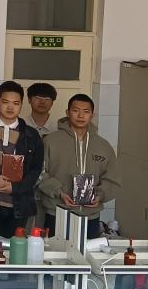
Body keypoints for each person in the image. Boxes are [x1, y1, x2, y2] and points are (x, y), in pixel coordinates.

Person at [38, 94, 120, 239]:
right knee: (56, 251)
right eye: (76, 110)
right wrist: (58, 192)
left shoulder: (103, 146)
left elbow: (112, 177)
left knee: (87, 252)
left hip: (91, 216)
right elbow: (40, 172)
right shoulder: (50, 141)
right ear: (67, 112)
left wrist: (100, 195)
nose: (81, 115)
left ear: (92, 115)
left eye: (86, 111)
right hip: (57, 212)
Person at [0, 81, 45, 237]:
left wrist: (16, 187)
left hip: (18, 207)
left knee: (15, 248)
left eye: (16, 103)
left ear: (21, 105)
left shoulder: (32, 135)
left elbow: (36, 169)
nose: (10, 107)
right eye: (5, 102)